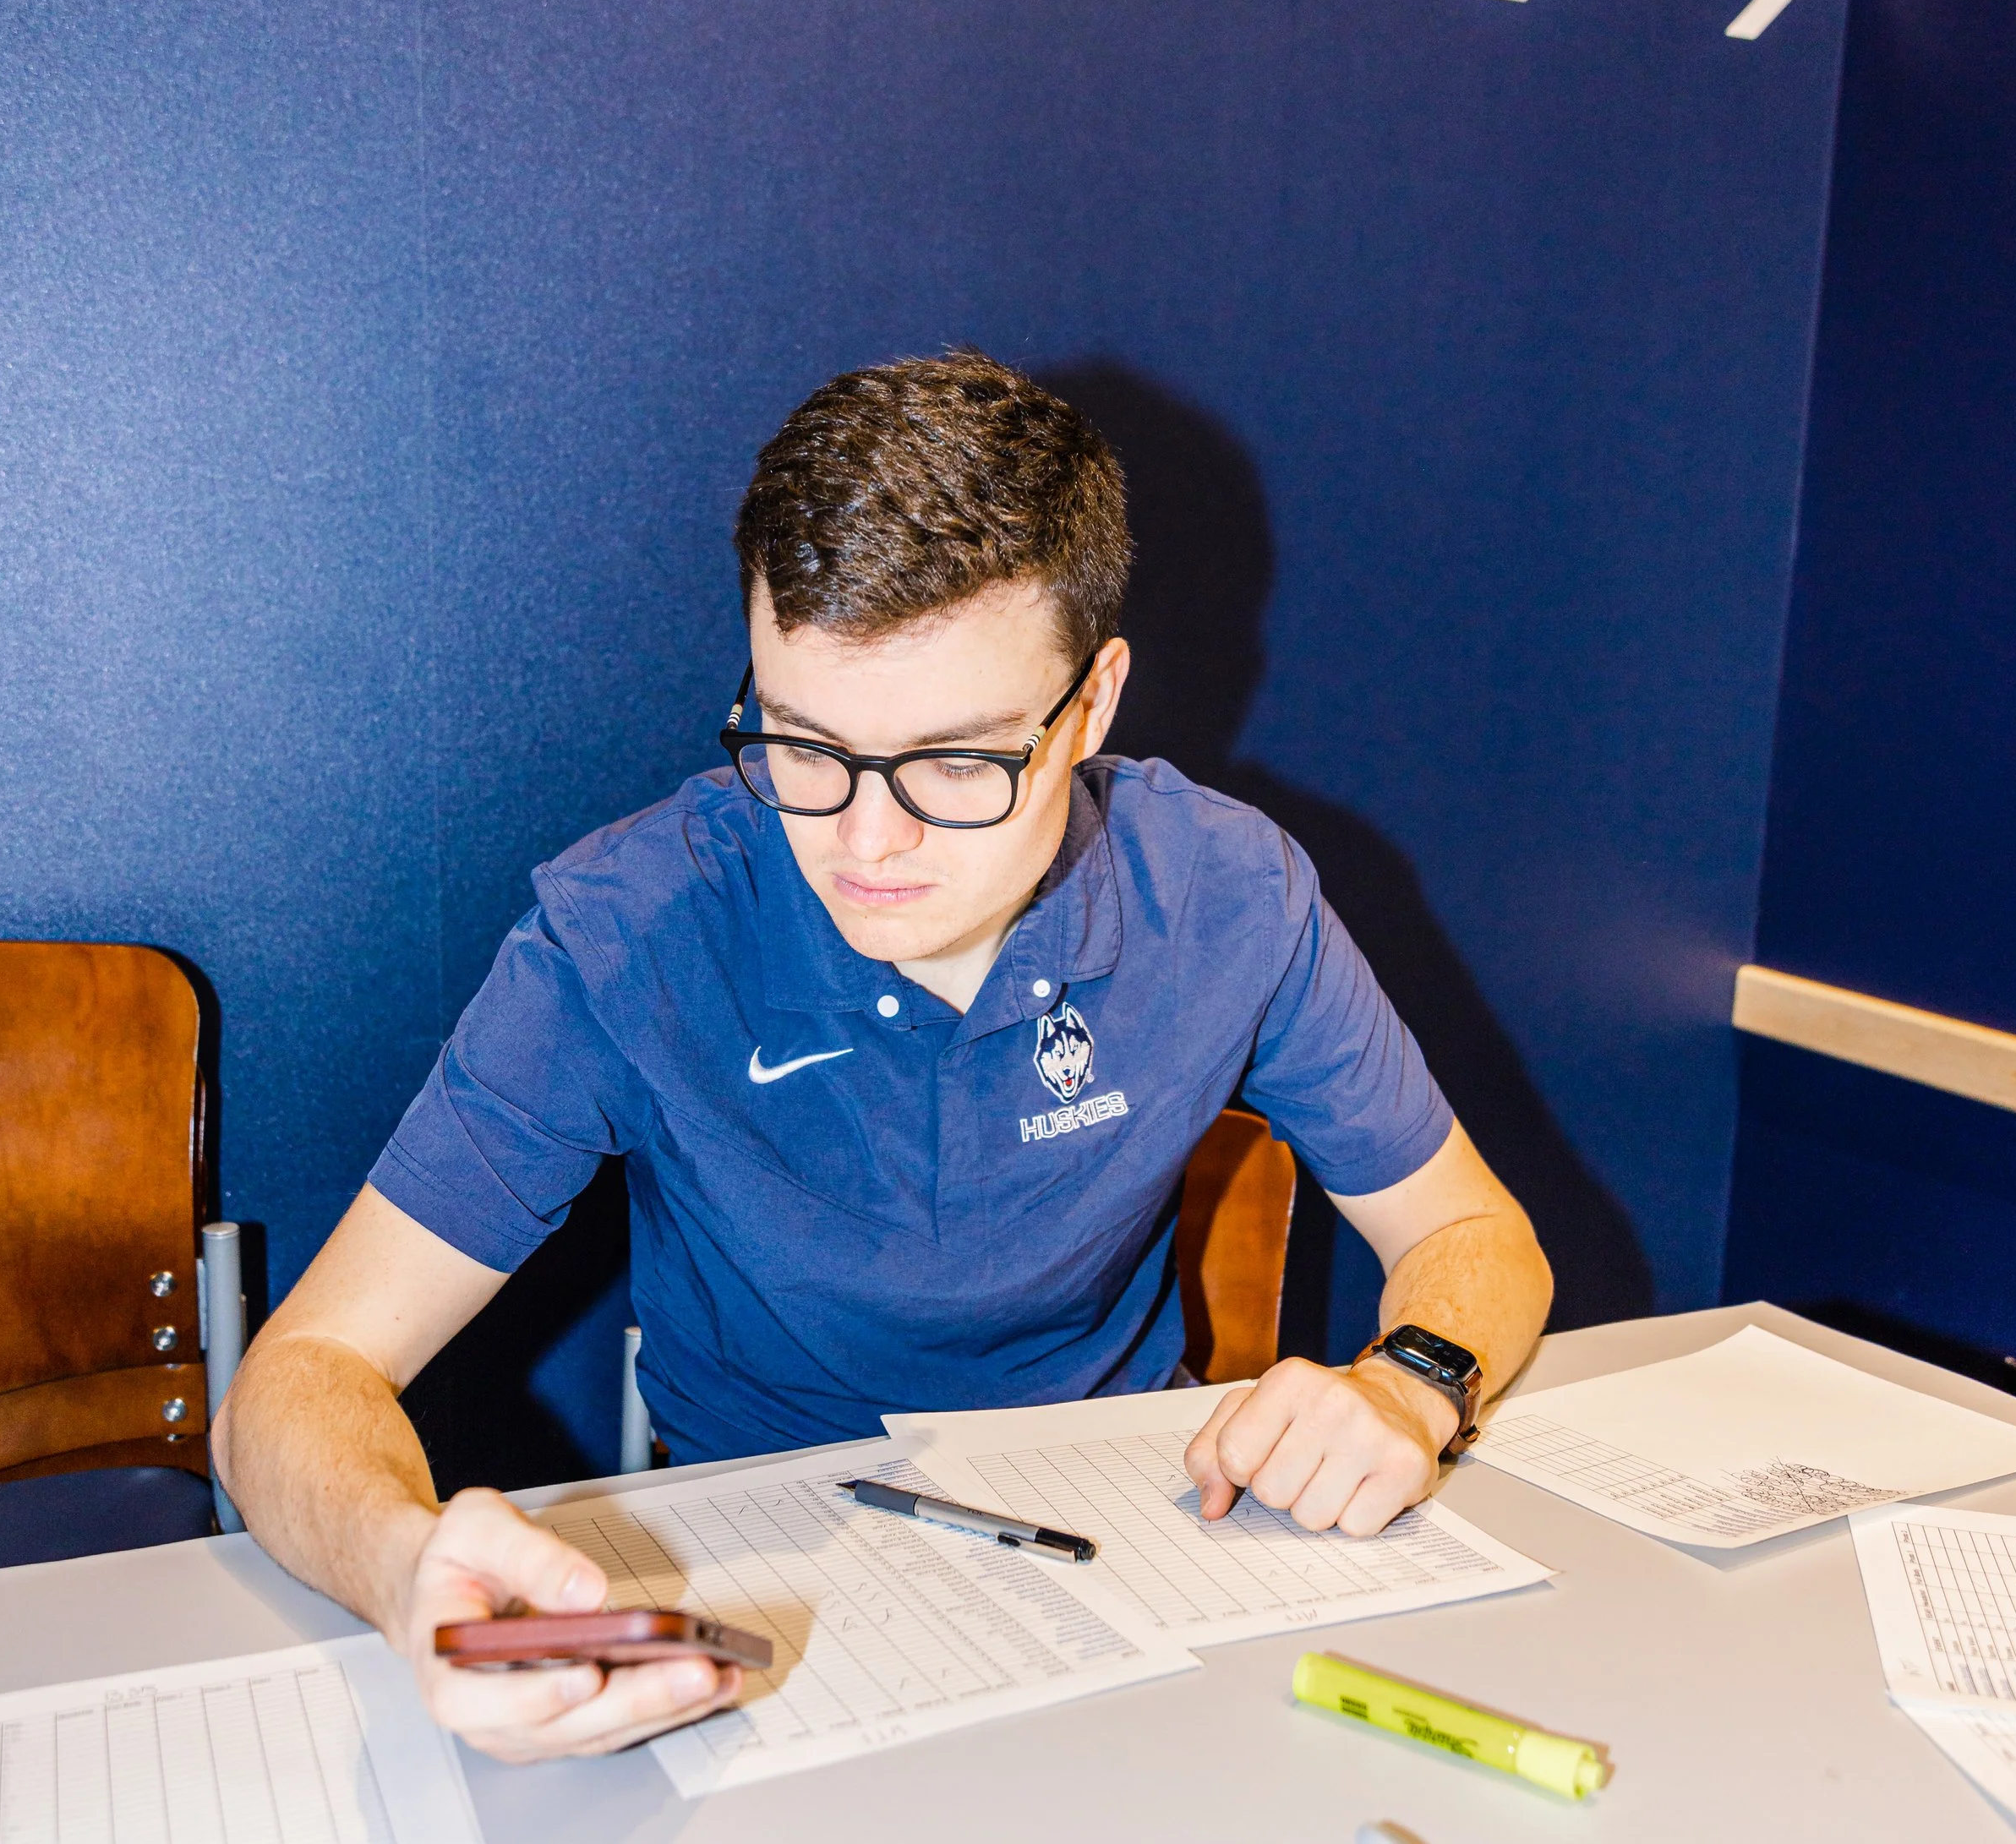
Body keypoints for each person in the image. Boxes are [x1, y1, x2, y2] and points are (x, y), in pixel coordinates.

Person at [216, 352, 1552, 1762]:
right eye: (803, 745)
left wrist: (1410, 1380)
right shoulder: (632, 929)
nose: (865, 844)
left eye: (958, 764)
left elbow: (1474, 1232)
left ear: (1091, 707)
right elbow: (297, 1379)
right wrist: (400, 1567)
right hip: (756, 1559)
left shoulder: (1227, 893)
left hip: (1143, 1534)